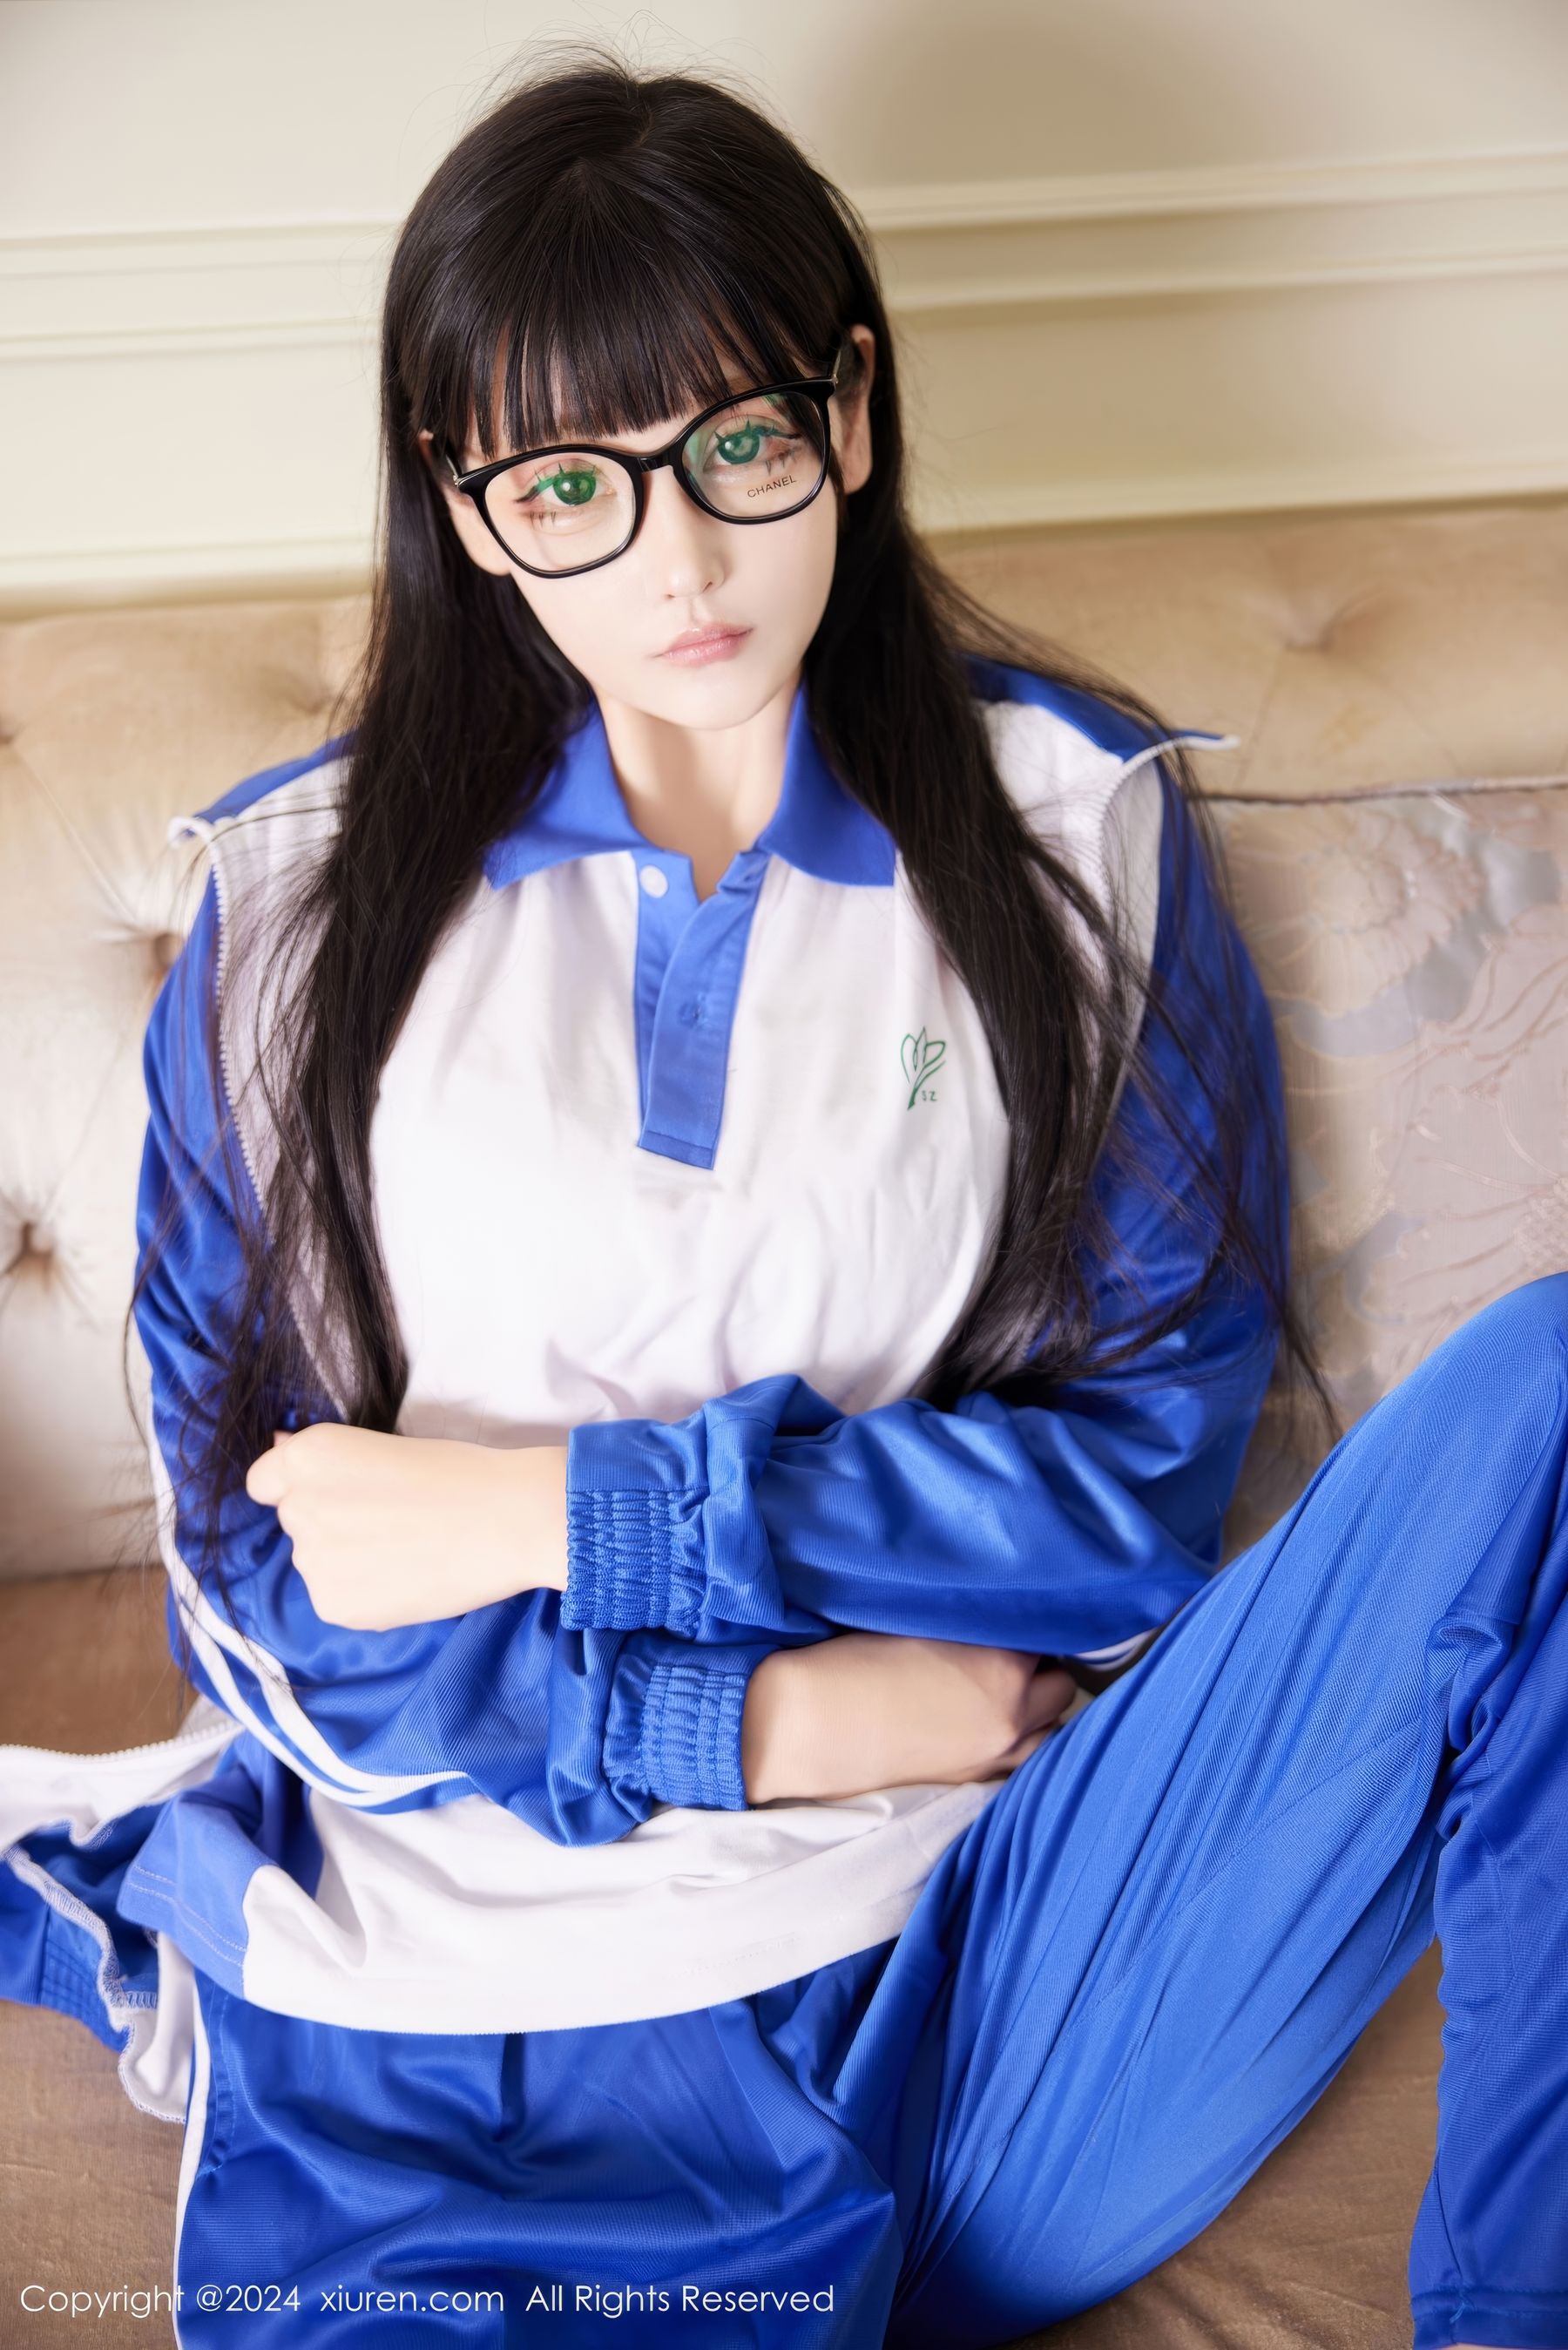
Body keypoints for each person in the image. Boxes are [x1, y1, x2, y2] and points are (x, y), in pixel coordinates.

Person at [2, 51, 1563, 2350]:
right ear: (466, 505)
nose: (682, 559)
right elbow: (270, 1592)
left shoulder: (1076, 841)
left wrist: (562, 1508)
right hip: (468, 2014)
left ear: (847, 409)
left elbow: (1127, 1503)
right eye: (572, 486)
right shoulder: (296, 916)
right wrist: (763, 1726)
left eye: (735, 445)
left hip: (993, 1974)